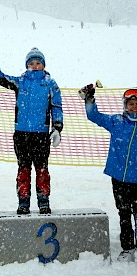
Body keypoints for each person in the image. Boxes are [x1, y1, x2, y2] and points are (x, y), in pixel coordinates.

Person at [0, 46, 63, 214]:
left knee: (42, 170)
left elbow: (56, 107)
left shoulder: (50, 84)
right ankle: (23, 202)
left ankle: (43, 201)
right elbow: (0, 78)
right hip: (21, 135)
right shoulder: (20, 81)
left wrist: (56, 128)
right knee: (23, 169)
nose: (35, 66)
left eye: (38, 63)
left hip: (41, 135)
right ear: (27, 65)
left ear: (43, 65)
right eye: (31, 63)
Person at [79, 85, 137, 262]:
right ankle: (127, 248)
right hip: (119, 178)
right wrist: (89, 100)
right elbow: (94, 116)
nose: (134, 106)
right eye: (131, 103)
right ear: (125, 105)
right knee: (124, 213)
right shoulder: (117, 121)